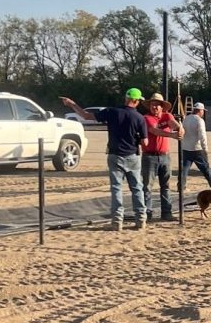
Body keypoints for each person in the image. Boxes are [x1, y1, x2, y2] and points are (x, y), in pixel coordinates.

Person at [61, 88, 147, 231]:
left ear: (125, 99)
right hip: (133, 156)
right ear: (136, 101)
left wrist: (71, 104)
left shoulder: (112, 112)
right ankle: (141, 220)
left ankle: (117, 221)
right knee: (137, 188)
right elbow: (145, 143)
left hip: (115, 155)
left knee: (116, 189)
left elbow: (86, 116)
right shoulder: (139, 118)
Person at [140, 93, 182, 222]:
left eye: (157, 105)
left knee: (166, 185)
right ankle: (147, 213)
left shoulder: (167, 116)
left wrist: (180, 129)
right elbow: (154, 130)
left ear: (162, 106)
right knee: (147, 186)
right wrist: (172, 135)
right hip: (149, 156)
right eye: (153, 105)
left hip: (165, 156)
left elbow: (174, 124)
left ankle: (166, 212)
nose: (155, 107)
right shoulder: (146, 118)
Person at [180, 101, 211, 189]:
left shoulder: (186, 119)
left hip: (186, 148)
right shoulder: (199, 121)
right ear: (200, 110)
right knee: (205, 167)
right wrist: (205, 148)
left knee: (184, 169)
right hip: (197, 149)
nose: (203, 113)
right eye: (203, 111)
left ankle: (181, 186)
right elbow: (202, 136)